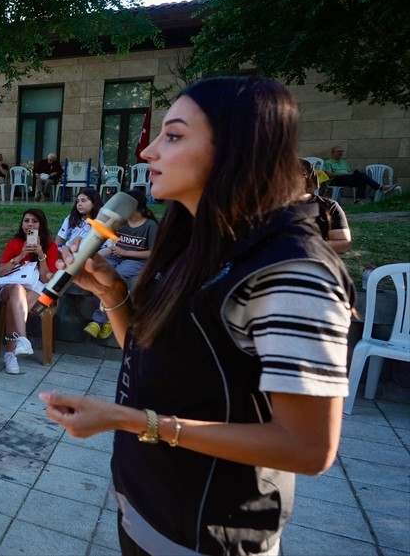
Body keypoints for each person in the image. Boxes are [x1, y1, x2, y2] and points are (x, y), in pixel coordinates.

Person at [40, 76, 354, 556]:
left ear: (234, 149)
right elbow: (150, 357)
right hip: (146, 513)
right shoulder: (191, 242)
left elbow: (308, 447)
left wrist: (134, 422)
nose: (147, 152)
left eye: (174, 135)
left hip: (209, 535)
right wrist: (114, 294)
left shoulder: (291, 272)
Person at [0, 208, 59, 375]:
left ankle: (10, 354)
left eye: (34, 221)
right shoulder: (14, 243)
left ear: (41, 225)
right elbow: (0, 272)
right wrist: (20, 255)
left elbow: (46, 279)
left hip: (36, 291)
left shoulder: (51, 246)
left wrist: (41, 255)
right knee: (16, 290)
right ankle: (22, 339)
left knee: (14, 304)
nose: (29, 224)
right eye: (26, 221)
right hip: (9, 287)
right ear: (22, 224)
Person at [88, 188, 157, 340]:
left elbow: (153, 253)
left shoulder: (150, 226)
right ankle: (106, 318)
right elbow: (111, 243)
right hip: (116, 257)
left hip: (136, 261)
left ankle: (102, 320)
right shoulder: (122, 223)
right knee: (98, 275)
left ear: (135, 207)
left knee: (115, 277)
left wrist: (126, 253)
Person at [300, 159, 351, 254]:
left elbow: (342, 244)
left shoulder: (329, 206)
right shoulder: (267, 206)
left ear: (305, 177)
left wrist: (306, 245)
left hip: (312, 261)